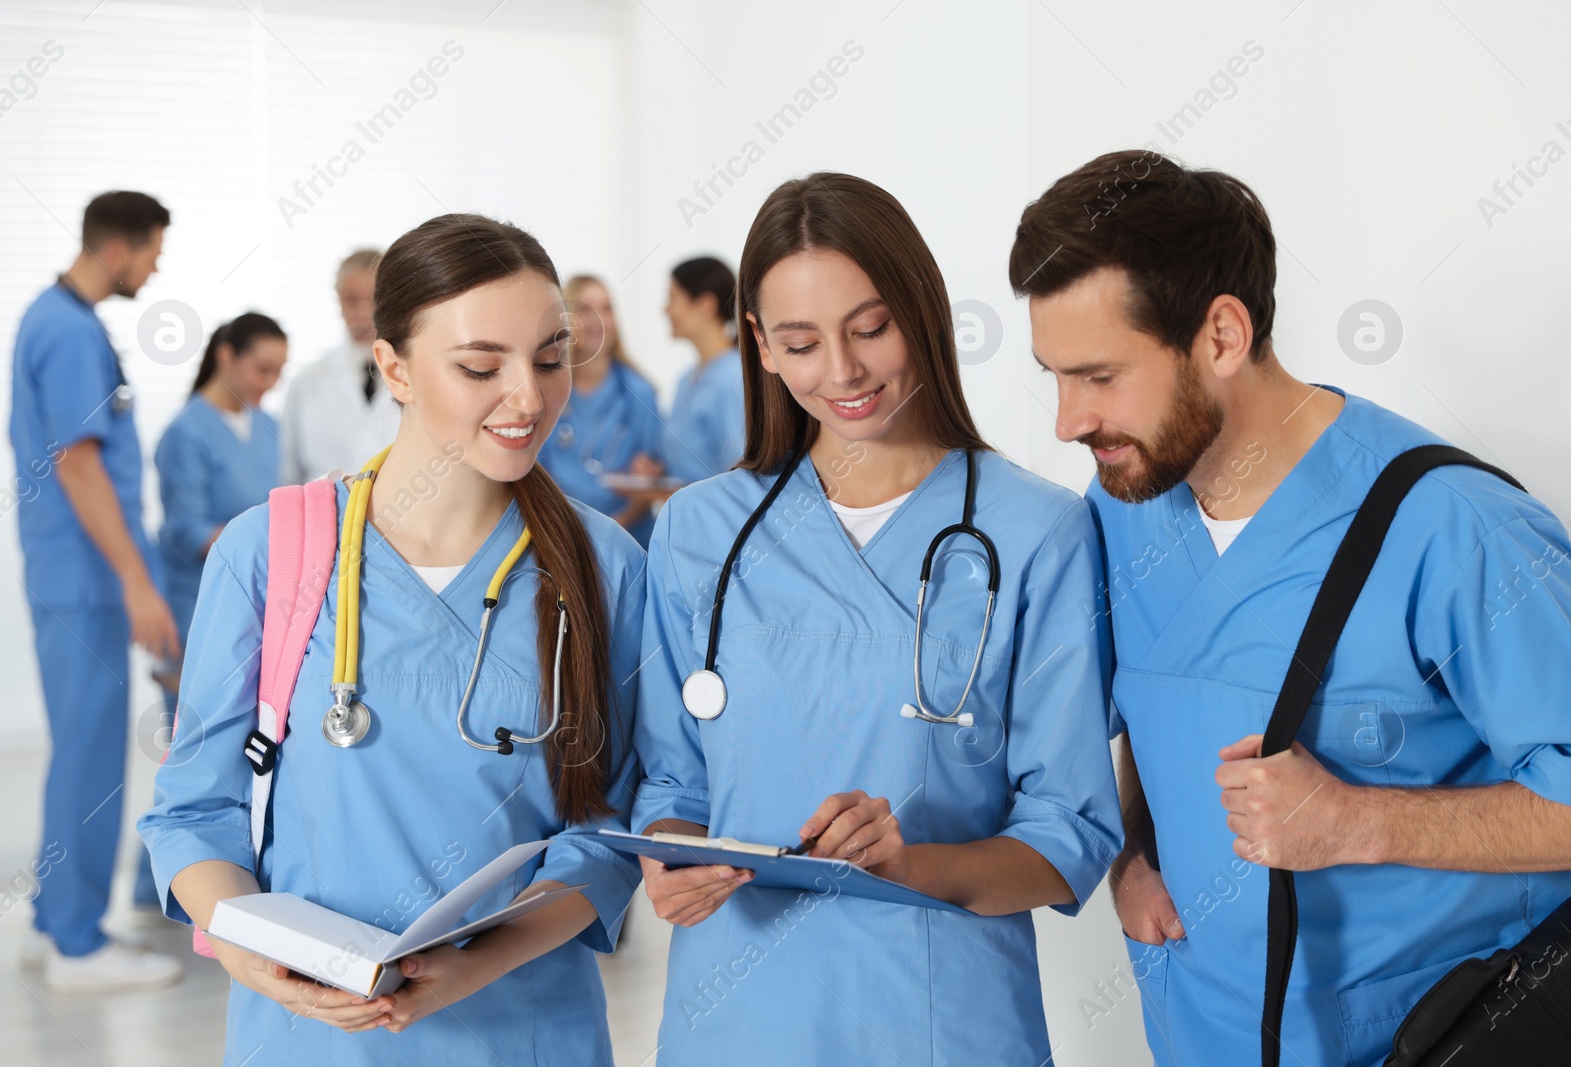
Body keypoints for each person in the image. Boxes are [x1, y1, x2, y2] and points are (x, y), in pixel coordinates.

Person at [1009, 150, 1571, 1065]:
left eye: (1099, 376)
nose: (1067, 421)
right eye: (1054, 377)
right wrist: (1130, 846)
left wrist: (1358, 821)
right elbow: (1167, 691)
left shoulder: (1450, 526)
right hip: (1200, 1031)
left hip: (1421, 1034)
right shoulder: (1122, 506)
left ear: (1222, 336)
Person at [633, 173, 1122, 1065]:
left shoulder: (1037, 531)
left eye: (870, 328)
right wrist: (667, 858)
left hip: (941, 1018)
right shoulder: (699, 531)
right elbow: (670, 787)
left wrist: (911, 865)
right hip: (735, 1015)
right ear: (761, 347)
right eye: (801, 342)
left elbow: (1070, 832)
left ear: (924, 310)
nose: (845, 372)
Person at [140, 213, 646, 1065]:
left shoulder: (605, 567)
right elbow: (195, 810)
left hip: (522, 1030)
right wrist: (247, 952)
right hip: (309, 1037)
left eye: (553, 358)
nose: (528, 397)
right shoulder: (269, 551)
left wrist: (471, 964)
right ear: (394, 367)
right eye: (481, 366)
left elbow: (611, 830)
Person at [9, 189, 184, 992]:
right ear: (119, 249)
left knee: (79, 751)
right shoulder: (69, 332)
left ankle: (57, 924)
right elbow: (78, 464)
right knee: (90, 756)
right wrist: (137, 581)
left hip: (70, 574)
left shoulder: (60, 322)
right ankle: (79, 944)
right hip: (86, 579)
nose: (155, 268)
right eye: (153, 252)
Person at [154, 312, 287, 687]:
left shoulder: (269, 426)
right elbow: (186, 530)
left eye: (279, 371)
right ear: (226, 356)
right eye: (262, 369)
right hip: (198, 602)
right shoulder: (187, 433)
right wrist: (267, 542)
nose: (271, 383)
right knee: (196, 724)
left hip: (257, 598)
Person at [537, 274, 665, 546]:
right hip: (563, 537)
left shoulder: (640, 392)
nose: (598, 320)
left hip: (630, 539)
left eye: (606, 309)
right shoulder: (546, 393)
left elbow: (650, 478)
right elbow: (538, 474)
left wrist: (616, 528)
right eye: (585, 309)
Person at [280, 249, 399, 482]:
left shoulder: (414, 374)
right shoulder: (305, 383)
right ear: (338, 301)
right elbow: (288, 478)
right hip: (324, 516)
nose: (363, 313)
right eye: (352, 300)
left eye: (373, 300)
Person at [655, 256, 745, 485]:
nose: (665, 310)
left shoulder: (733, 377)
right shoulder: (686, 379)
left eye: (672, 298)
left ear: (705, 305)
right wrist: (658, 469)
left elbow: (740, 469)